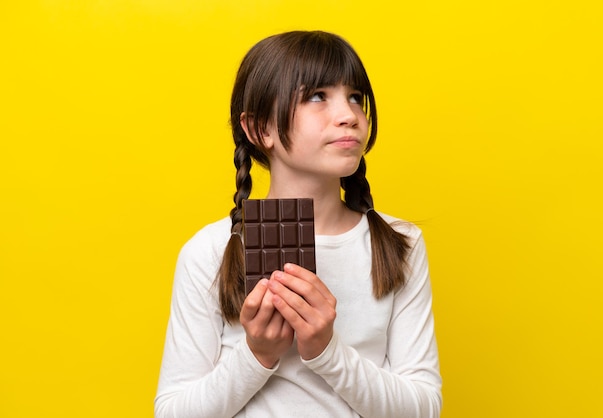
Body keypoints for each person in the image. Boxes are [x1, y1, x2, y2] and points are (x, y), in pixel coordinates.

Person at [155, 30, 442, 418]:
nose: (349, 116)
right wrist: (256, 355)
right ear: (260, 129)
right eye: (317, 96)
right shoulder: (209, 251)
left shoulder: (400, 244)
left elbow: (423, 409)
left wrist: (327, 351)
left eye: (356, 97)